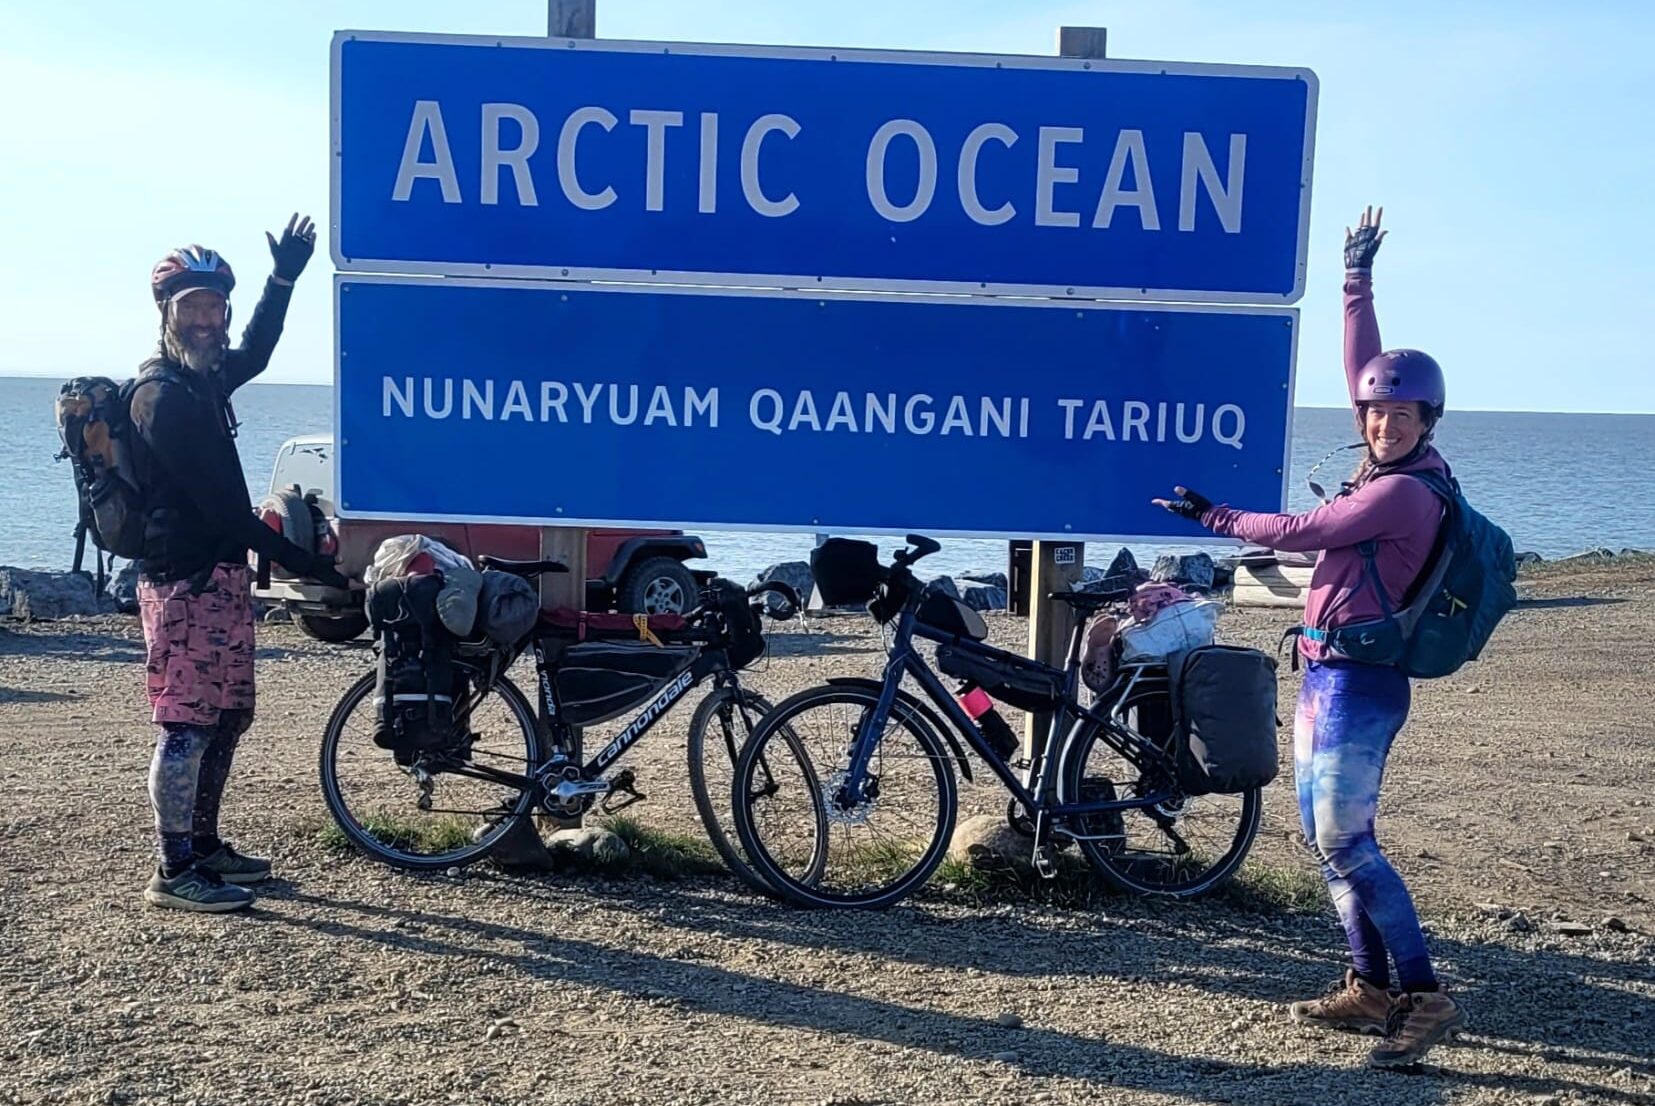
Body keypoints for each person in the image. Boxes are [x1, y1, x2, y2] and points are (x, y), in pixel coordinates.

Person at [1154, 206, 1465, 1069]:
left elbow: (1295, 529)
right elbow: (1361, 367)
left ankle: (1424, 992)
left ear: (1426, 420)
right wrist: (1354, 283)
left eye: (1401, 414)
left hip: (1362, 684)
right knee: (1322, 837)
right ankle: (1367, 987)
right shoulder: (1386, 462)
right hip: (1325, 673)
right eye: (1374, 413)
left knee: (1346, 843)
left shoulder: (1400, 494)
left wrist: (1211, 514)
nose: (1382, 423)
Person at [131, 216, 347, 912]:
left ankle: (205, 844)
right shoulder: (163, 399)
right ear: (166, 312)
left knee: (227, 718)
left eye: (213, 306)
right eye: (190, 306)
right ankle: (173, 870)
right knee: (186, 723)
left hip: (221, 579)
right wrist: (307, 565)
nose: (206, 320)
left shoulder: (204, 382)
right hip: (182, 582)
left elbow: (255, 349)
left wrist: (282, 280)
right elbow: (228, 514)